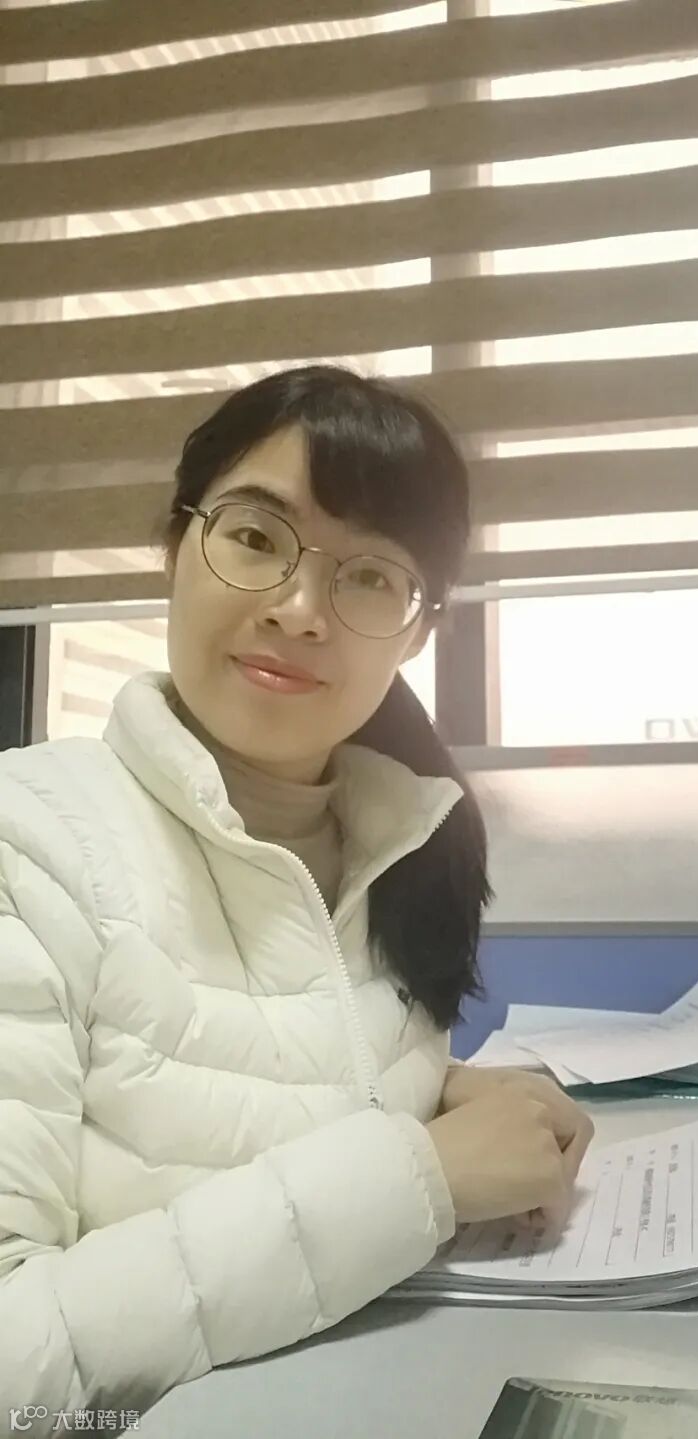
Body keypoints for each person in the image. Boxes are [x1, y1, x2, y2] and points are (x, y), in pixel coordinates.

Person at [0, 366, 594, 1422]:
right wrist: (421, 1174)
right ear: (174, 547)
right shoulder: (30, 839)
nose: (302, 609)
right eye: (254, 536)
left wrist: (434, 1090)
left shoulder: (399, 844)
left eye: (371, 577)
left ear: (416, 631)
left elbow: (253, 1099)